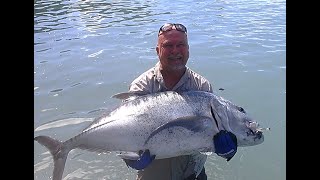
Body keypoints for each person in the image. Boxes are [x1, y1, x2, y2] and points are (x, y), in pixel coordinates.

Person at [121, 23, 237, 180]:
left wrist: (225, 149)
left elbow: (210, 132)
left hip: (193, 174)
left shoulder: (202, 86)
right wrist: (130, 157)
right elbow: (124, 131)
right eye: (168, 45)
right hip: (153, 175)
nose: (175, 51)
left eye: (180, 45)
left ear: (188, 49)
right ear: (157, 51)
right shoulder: (142, 85)